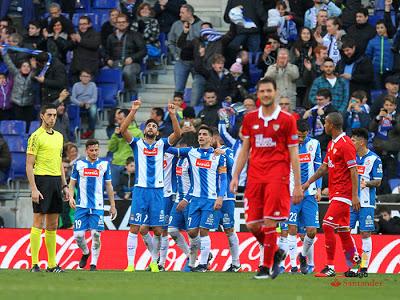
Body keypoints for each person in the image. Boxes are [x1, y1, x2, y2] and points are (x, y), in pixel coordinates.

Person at [230, 77, 303, 280]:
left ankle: (265, 266)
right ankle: (277, 252)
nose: (265, 94)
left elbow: (294, 154)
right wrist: (235, 175)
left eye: (269, 91)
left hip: (277, 175)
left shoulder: (288, 120)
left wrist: (297, 184)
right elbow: (245, 150)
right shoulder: (250, 119)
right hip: (254, 176)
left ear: (275, 92)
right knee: (253, 224)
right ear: (258, 94)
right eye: (262, 91)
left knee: (270, 222)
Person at [121, 100, 181, 272]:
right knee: (134, 227)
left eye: (154, 126)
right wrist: (133, 110)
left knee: (158, 229)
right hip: (140, 190)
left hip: (157, 192)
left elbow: (177, 134)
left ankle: (154, 262)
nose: (151, 128)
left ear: (157, 131)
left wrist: (172, 115)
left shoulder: (162, 144)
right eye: (149, 126)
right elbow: (123, 130)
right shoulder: (137, 144)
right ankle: (130, 264)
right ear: (144, 129)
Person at [302, 112, 361, 277]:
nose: (323, 125)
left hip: (344, 193)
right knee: (342, 230)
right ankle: (355, 266)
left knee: (328, 225)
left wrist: (354, 195)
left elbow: (354, 170)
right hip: (335, 192)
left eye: (325, 123)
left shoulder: (346, 144)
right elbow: (323, 168)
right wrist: (308, 183)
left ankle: (330, 267)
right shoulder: (332, 144)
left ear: (332, 125)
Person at [167, 125, 227, 272]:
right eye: (199, 134)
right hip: (194, 200)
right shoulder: (191, 152)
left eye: (204, 134)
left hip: (210, 200)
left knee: (204, 231)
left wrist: (220, 197)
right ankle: (197, 259)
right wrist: (161, 139)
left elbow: (224, 179)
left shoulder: (219, 156)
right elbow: (169, 149)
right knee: (192, 232)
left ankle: (203, 264)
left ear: (211, 138)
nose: (201, 136)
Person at [26, 104, 71, 272]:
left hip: (55, 182)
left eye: (54, 115)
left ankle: (52, 264)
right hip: (41, 180)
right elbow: (29, 165)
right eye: (49, 115)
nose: (52, 118)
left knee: (53, 224)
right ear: (42, 116)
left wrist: (64, 184)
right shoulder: (36, 137)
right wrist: (33, 188)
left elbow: (59, 162)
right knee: (38, 221)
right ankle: (35, 264)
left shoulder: (59, 136)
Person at [68, 139, 117, 271]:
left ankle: (93, 264)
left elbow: (109, 185)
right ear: (86, 151)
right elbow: (72, 184)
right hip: (81, 206)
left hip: (97, 206)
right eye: (92, 150)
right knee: (78, 236)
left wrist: (112, 205)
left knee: (96, 234)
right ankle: (85, 252)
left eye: (96, 150)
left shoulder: (104, 165)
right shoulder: (78, 165)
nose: (94, 153)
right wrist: (71, 197)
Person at [281, 119, 321, 275]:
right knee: (292, 229)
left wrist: (318, 188)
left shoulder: (315, 144)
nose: (301, 139)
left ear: (308, 133)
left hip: (310, 194)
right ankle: (293, 266)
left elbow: (318, 167)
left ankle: (303, 256)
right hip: (291, 194)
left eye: (303, 136)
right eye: (298, 136)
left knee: (311, 231)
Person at [348, 128, 382, 277]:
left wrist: (366, 184)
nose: (350, 143)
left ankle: (363, 267)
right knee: (344, 231)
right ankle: (352, 262)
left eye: (353, 140)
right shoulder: (350, 157)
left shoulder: (374, 159)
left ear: (361, 142)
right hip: (349, 201)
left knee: (365, 233)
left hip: (366, 202)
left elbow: (379, 181)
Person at [213, 132, 241, 272]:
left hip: (227, 197)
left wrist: (222, 153)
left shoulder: (228, 150)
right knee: (200, 228)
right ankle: (203, 259)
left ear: (216, 138)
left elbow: (232, 166)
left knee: (228, 229)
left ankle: (236, 263)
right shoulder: (205, 153)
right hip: (208, 196)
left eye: (209, 137)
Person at [105, 13, 147, 103]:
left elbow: (143, 51)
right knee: (104, 70)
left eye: (123, 22)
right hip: (116, 63)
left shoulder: (135, 35)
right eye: (119, 22)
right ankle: (113, 97)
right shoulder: (111, 37)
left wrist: (132, 58)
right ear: (115, 24)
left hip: (133, 64)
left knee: (127, 71)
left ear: (127, 23)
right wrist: (108, 59)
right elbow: (106, 52)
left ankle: (132, 93)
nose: (121, 24)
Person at [167, 138, 192, 272]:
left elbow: (196, 183)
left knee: (192, 232)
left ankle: (196, 261)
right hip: (178, 199)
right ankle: (190, 255)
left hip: (189, 201)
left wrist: (187, 198)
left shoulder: (192, 161)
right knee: (172, 230)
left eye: (181, 146)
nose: (179, 149)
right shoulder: (179, 161)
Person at [108, 108, 143, 189]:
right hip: (116, 164)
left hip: (131, 165)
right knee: (114, 190)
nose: (118, 121)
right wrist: (115, 136)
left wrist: (128, 135)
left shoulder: (138, 132)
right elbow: (111, 148)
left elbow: (141, 149)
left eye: (121, 119)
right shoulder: (117, 131)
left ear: (128, 118)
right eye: (118, 119)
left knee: (131, 191)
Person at [303, 88, 337, 154]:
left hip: (324, 145)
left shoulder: (333, 110)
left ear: (328, 99)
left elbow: (332, 127)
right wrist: (304, 118)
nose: (318, 102)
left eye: (321, 99)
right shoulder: (314, 109)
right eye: (317, 99)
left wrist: (322, 116)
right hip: (311, 142)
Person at [70, 16, 101, 83]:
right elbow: (69, 48)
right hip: (76, 69)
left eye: (84, 24)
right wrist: (72, 41)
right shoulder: (76, 34)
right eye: (80, 24)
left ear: (90, 24)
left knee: (88, 92)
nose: (82, 26)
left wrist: (80, 40)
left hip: (89, 70)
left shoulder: (95, 34)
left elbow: (94, 45)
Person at [365, 20, 394, 89]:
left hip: (389, 72)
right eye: (377, 28)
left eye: (381, 27)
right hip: (376, 72)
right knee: (378, 92)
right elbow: (368, 56)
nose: (379, 30)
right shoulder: (372, 42)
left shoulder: (392, 41)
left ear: (386, 28)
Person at [70, 70, 98, 139]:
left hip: (89, 104)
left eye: (87, 76)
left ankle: (90, 130)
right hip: (78, 104)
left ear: (90, 78)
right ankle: (75, 131)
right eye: (83, 76)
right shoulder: (76, 85)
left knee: (93, 110)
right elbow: (72, 98)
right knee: (71, 109)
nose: (85, 78)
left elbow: (94, 98)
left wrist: (88, 102)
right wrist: (80, 103)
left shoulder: (93, 85)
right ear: (80, 77)